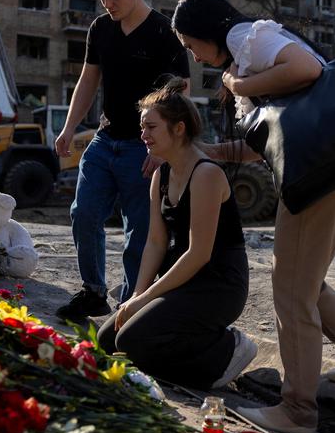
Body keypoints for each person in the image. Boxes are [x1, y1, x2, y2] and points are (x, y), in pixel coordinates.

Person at [171, 0, 335, 433]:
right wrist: (214, 151)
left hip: (324, 175)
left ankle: (298, 410)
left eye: (190, 42)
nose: (192, 54)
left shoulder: (246, 39)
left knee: (291, 286)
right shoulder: (246, 54)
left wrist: (238, 87)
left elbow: (307, 70)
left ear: (208, 30)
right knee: (304, 279)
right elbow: (268, 144)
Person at [55, 0, 191, 322]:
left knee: (140, 230)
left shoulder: (164, 33)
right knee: (83, 213)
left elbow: (180, 95)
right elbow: (88, 80)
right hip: (105, 138)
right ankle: (94, 293)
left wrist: (165, 151)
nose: (107, 3)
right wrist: (69, 127)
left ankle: (131, 306)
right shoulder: (100, 29)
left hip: (144, 148)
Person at [97, 78, 256, 389]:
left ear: (179, 128)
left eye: (151, 127)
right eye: (142, 127)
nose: (142, 135)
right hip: (185, 276)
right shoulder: (161, 174)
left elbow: (199, 254)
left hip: (217, 283)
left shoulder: (207, 173)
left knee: (132, 341)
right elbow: (156, 242)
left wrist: (143, 301)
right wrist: (135, 298)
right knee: (109, 340)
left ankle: (225, 352)